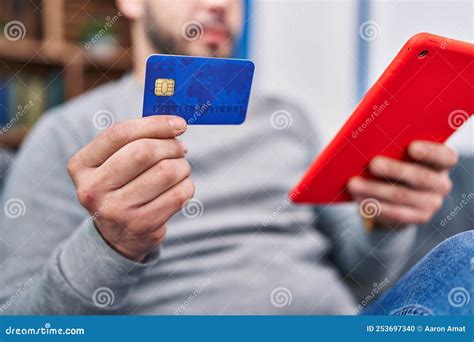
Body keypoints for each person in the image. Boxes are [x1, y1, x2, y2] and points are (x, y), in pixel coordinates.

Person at [0, 0, 470, 315]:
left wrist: (382, 220)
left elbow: (359, 276)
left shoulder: (286, 117)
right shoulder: (67, 131)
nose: (220, 4)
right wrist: (111, 242)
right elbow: (18, 322)